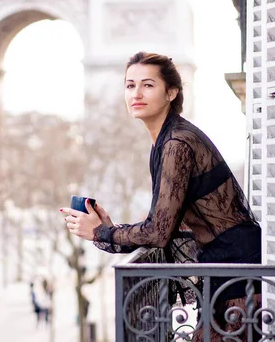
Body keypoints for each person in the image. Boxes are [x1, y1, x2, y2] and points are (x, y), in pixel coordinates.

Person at [61, 52, 262, 342]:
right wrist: (109, 230)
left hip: (237, 272)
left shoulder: (176, 143)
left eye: (148, 85)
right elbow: (166, 223)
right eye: (130, 86)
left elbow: (158, 232)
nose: (136, 94)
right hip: (225, 270)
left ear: (171, 92)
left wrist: (103, 232)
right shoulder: (166, 140)